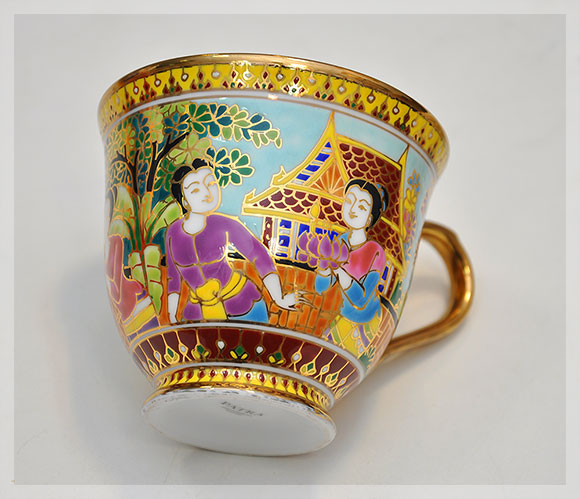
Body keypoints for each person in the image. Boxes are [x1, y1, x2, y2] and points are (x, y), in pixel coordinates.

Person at [165, 158, 299, 323]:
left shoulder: (224, 224)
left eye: (211, 184)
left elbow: (258, 254)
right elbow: (173, 279)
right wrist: (171, 315)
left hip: (240, 300)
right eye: (195, 190)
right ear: (184, 200)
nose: (207, 193)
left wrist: (278, 297)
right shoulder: (173, 233)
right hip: (197, 309)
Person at [315, 179, 388, 357]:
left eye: (361, 207)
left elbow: (361, 300)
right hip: (339, 315)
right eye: (349, 201)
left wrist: (338, 270)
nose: (353, 209)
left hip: (363, 323)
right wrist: (324, 267)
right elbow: (321, 287)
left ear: (369, 218)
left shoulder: (376, 252)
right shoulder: (340, 241)